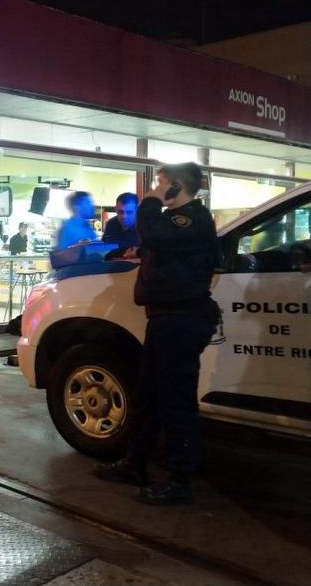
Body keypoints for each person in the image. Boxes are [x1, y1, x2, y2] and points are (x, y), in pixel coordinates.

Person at [93, 162, 220, 506]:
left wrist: (150, 201)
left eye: (161, 182)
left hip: (181, 319)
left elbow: (153, 234)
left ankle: (180, 480)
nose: (155, 188)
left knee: (176, 400)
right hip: (165, 318)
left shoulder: (189, 218)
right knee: (147, 395)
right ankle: (136, 462)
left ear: (176, 186)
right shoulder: (177, 222)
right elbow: (160, 245)